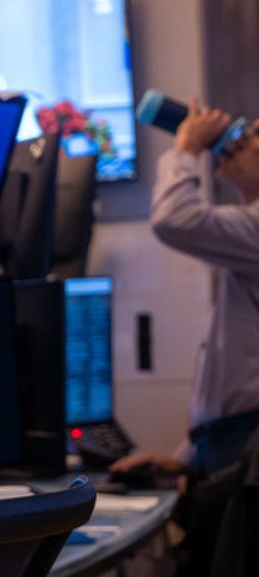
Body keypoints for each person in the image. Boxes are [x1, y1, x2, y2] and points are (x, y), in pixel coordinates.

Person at [111, 98, 259, 480]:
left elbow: (175, 219)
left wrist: (188, 148)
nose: (239, 139)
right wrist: (187, 457)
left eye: (255, 134)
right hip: (229, 448)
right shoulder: (246, 234)